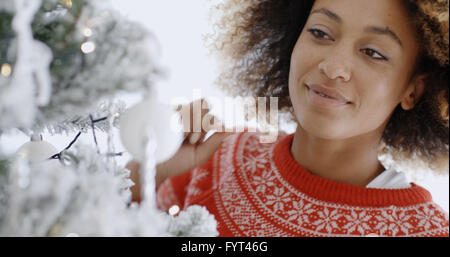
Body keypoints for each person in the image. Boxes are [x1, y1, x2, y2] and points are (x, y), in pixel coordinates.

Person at [127, 0, 449, 237]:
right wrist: (152, 171)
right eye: (321, 33)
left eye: (373, 53)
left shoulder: (426, 232)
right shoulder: (217, 158)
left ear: (412, 89)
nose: (333, 66)